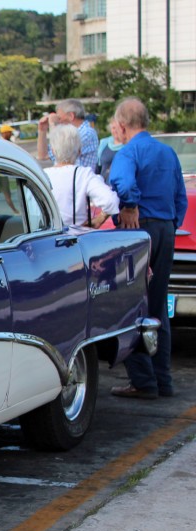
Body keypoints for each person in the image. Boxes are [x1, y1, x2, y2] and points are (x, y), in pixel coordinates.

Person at [108, 97, 188, 400]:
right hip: (166, 228)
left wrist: (130, 205)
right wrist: (168, 223)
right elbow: (180, 196)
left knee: (131, 306)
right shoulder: (168, 153)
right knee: (157, 307)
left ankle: (143, 381)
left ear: (123, 126)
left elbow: (123, 183)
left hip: (139, 230)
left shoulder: (128, 152)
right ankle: (162, 379)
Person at [43, 124, 119, 227]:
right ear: (79, 151)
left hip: (47, 236)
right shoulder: (83, 174)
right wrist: (99, 219)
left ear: (53, 151)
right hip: (76, 236)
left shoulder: (43, 175)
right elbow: (111, 200)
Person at [36, 99, 99, 172]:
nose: (59, 121)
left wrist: (53, 125)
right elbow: (43, 156)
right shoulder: (69, 134)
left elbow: (61, 153)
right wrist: (42, 130)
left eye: (59, 118)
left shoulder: (87, 133)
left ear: (71, 116)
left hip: (80, 180)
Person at [96, 118, 126, 183]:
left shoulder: (128, 145)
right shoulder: (104, 143)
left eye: (118, 128)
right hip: (103, 185)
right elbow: (98, 167)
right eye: (113, 128)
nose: (115, 131)